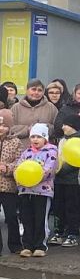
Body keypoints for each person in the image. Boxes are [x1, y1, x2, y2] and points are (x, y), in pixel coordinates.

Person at [15, 124, 58, 257]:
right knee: (26, 219)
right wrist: (20, 178)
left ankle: (40, 245)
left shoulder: (51, 152)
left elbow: (49, 170)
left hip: (42, 191)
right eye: (33, 136)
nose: (35, 139)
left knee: (40, 218)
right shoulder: (26, 152)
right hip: (25, 190)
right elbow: (18, 168)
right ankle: (27, 245)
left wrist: (36, 175)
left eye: (38, 136)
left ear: (45, 138)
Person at [48, 113, 80, 248]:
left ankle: (72, 233)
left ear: (73, 126)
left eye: (66, 124)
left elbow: (75, 161)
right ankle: (59, 232)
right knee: (59, 207)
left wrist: (59, 170)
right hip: (59, 180)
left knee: (72, 207)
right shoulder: (62, 140)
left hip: (74, 180)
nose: (63, 127)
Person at [10, 79, 59, 148]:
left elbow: (57, 129)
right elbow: (9, 129)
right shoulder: (16, 108)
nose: (36, 92)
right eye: (33, 89)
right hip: (20, 150)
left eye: (40, 90)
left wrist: (43, 128)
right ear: (26, 90)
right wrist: (28, 129)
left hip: (44, 152)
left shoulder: (51, 108)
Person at [0, 108, 23, 254]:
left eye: (4, 125)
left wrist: (7, 168)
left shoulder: (16, 142)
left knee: (11, 216)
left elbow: (19, 162)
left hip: (9, 186)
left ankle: (15, 245)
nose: (1, 128)